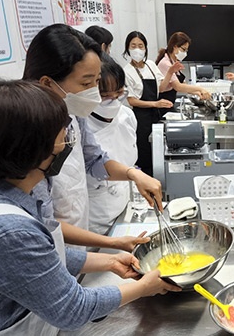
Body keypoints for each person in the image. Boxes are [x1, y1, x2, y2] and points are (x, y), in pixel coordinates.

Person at [0, 79, 180, 335]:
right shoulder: (5, 231)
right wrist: (144, 287)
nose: (67, 143)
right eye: (61, 138)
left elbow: (37, 260)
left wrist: (109, 261)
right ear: (30, 150)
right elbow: (72, 310)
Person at [23, 24, 161, 250]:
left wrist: (132, 174)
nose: (94, 94)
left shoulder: (73, 114)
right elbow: (44, 223)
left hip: (79, 236)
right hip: (52, 246)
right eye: (86, 83)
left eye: (96, 82)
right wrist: (111, 244)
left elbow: (94, 159)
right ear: (47, 83)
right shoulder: (28, 135)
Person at [86, 54, 138, 234]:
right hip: (96, 219)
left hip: (125, 208)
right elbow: (97, 164)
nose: (113, 101)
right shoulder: (81, 125)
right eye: (105, 96)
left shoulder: (127, 117)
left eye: (119, 93)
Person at [122, 31, 177, 175]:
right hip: (140, 118)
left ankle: (159, 179)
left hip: (155, 115)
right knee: (145, 153)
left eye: (140, 46)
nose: (137, 49)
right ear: (127, 48)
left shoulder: (151, 65)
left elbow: (161, 88)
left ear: (145, 48)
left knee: (158, 151)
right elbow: (132, 100)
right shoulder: (126, 72)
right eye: (133, 46)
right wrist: (155, 104)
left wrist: (170, 72)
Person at [155, 32, 211, 104]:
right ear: (175, 47)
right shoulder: (166, 63)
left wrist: (197, 92)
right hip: (162, 103)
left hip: (170, 102)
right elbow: (178, 86)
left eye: (186, 50)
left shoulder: (174, 62)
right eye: (183, 49)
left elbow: (184, 85)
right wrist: (200, 89)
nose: (185, 53)